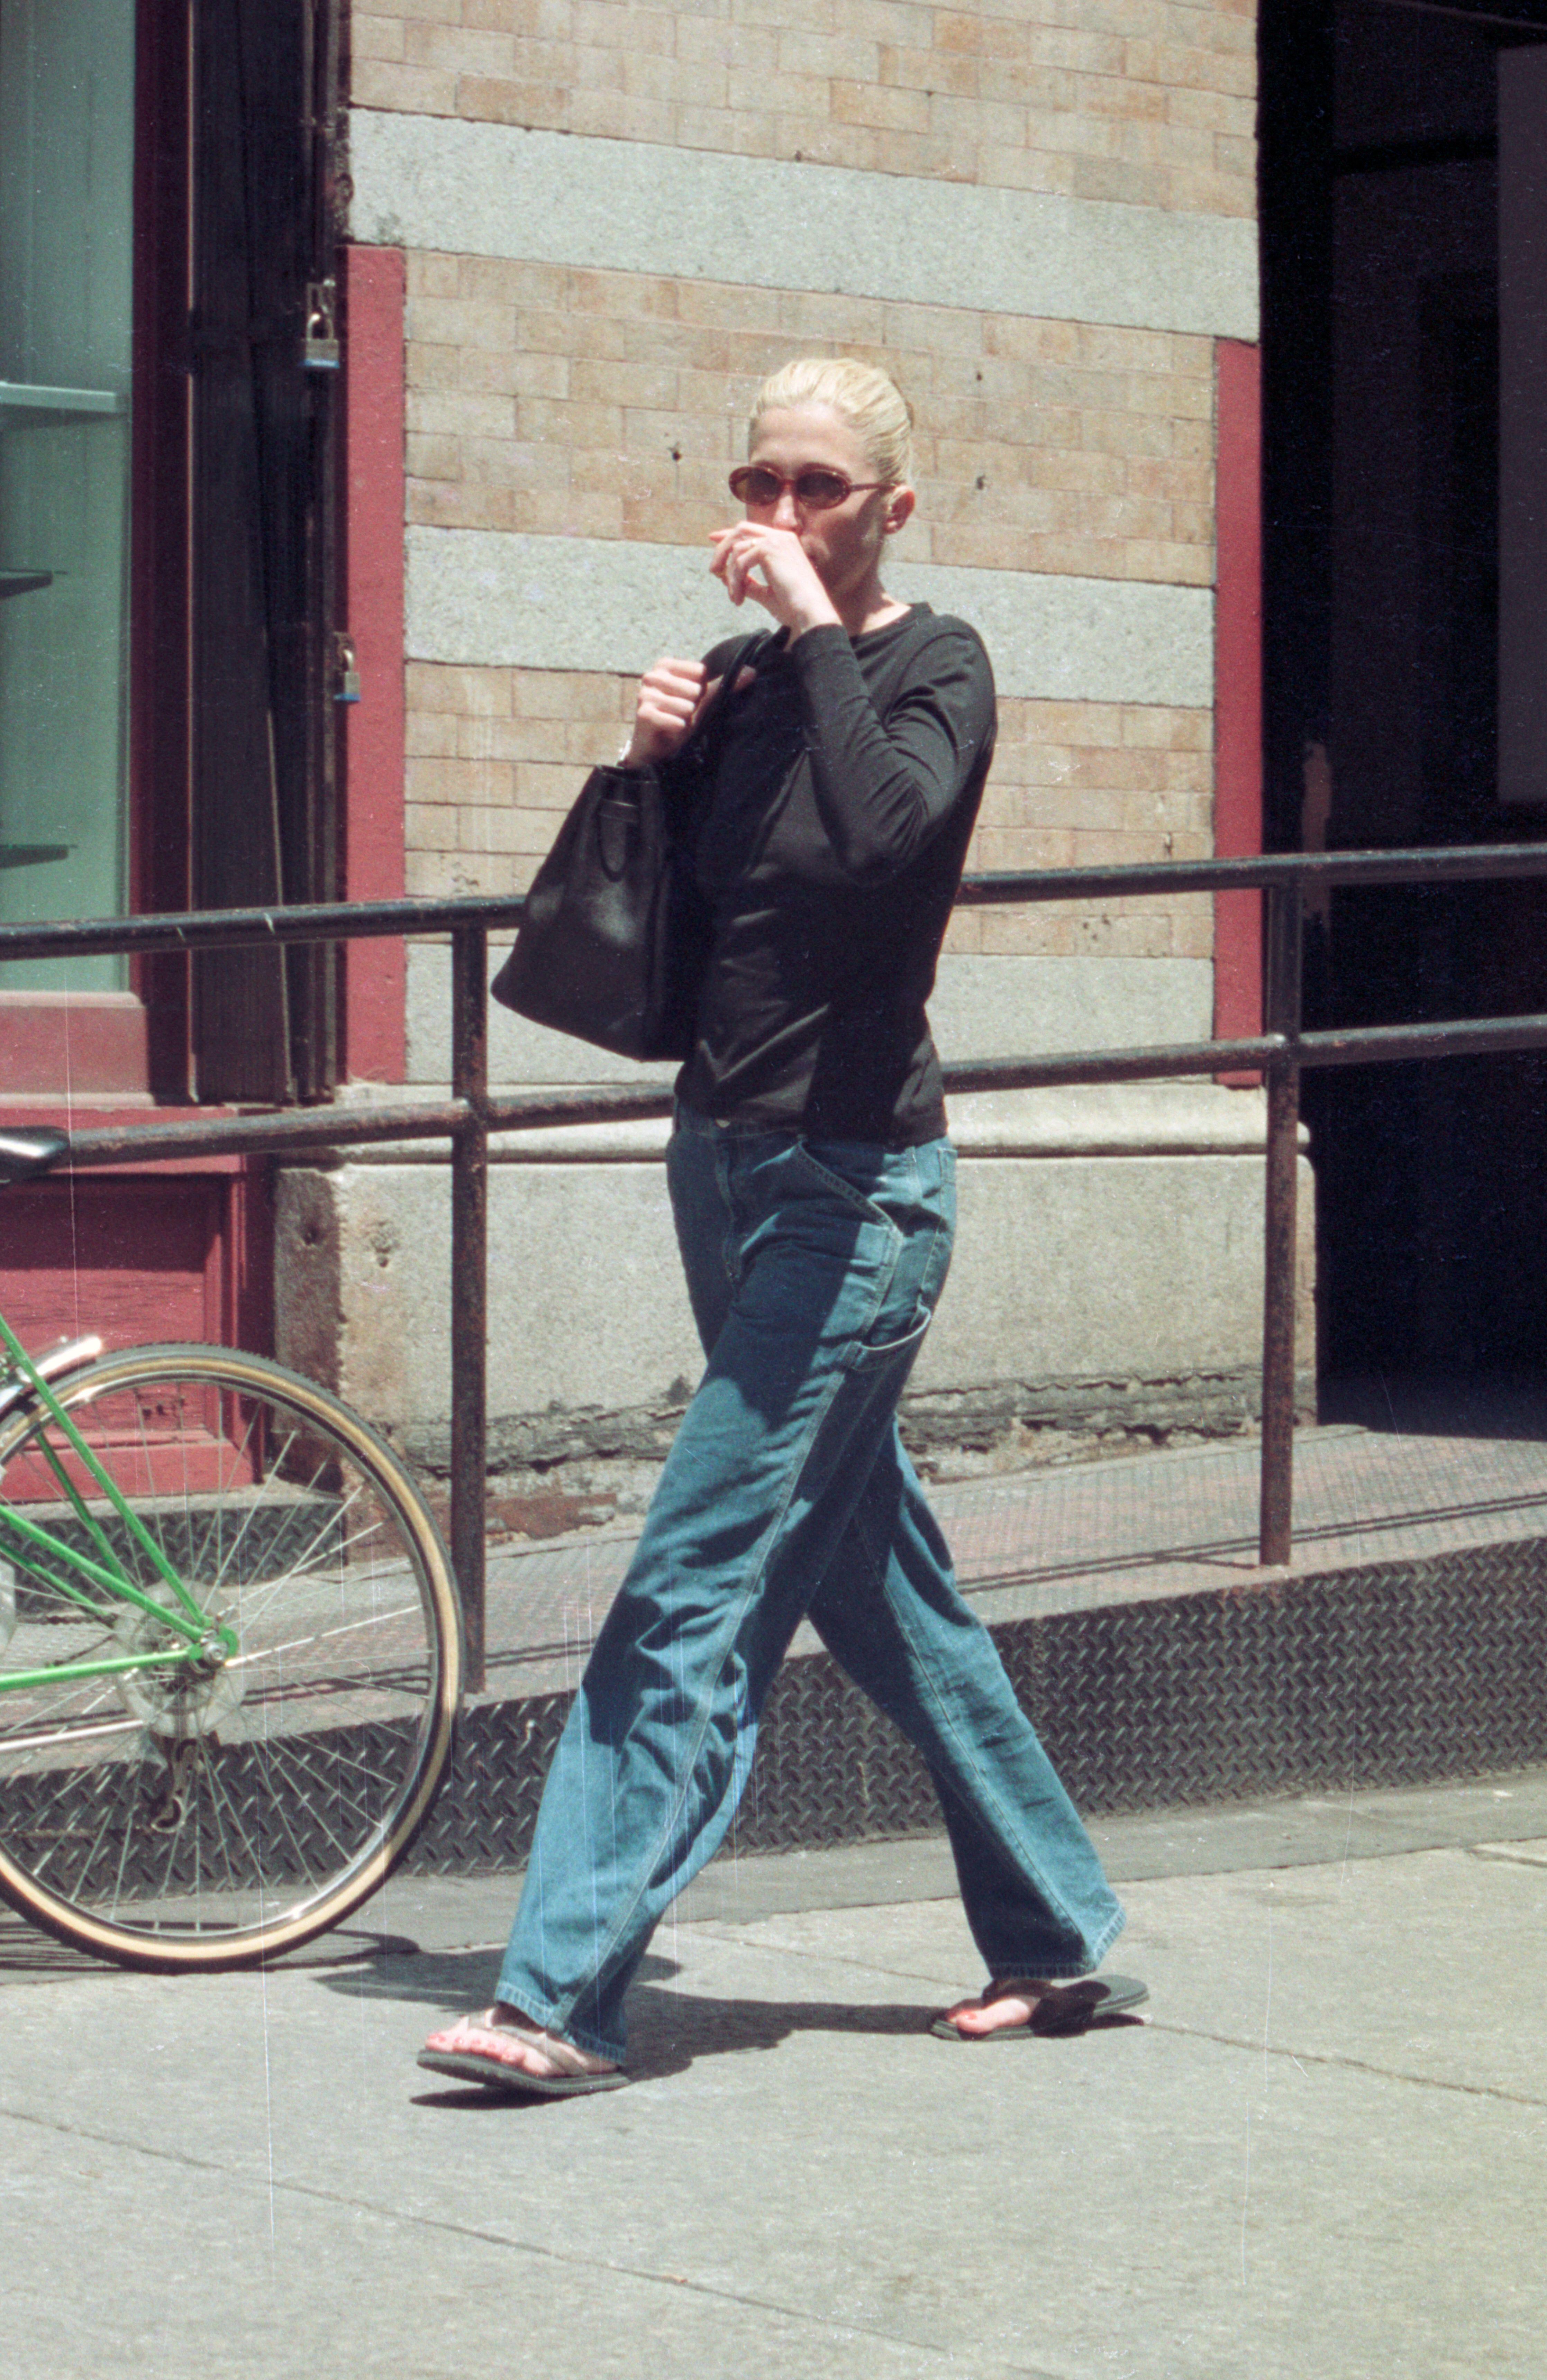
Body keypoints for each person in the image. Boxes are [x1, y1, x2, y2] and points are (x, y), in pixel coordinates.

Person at [420, 357, 1143, 2099]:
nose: (774, 516)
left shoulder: (931, 665)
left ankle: (558, 1992)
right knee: (875, 1581)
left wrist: (817, 625)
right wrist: (642, 757)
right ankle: (1054, 1928)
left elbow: (888, 838)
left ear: (890, 508)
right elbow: (622, 949)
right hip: (721, 1162)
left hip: (856, 1189)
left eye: (815, 487)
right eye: (758, 482)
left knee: (696, 1571)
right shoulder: (742, 685)